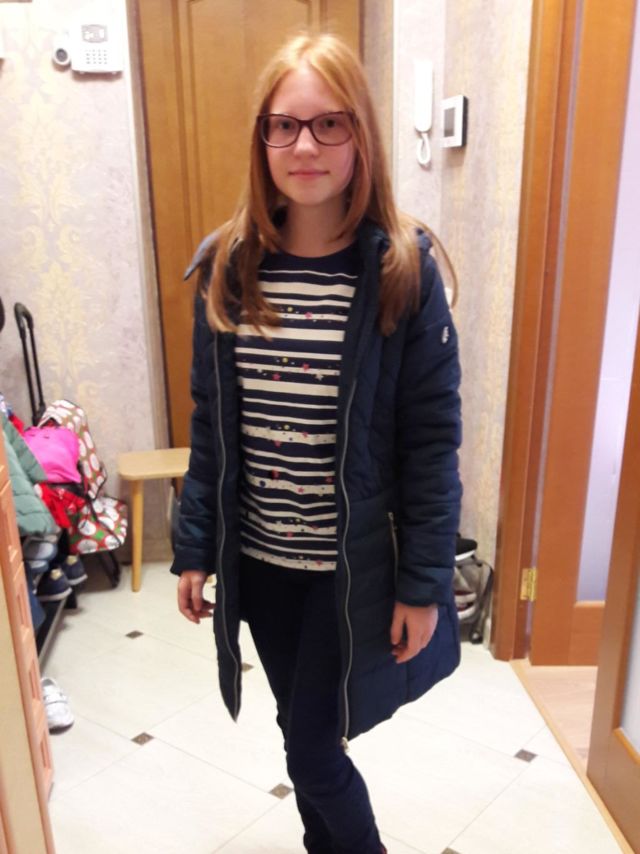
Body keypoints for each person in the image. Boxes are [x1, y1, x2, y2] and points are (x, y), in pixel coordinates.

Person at [171, 32, 462, 854]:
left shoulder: (402, 271)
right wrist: (193, 546)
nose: (304, 146)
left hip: (349, 568)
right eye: (284, 125)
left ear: (360, 136)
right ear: (261, 140)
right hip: (260, 560)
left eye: (329, 124)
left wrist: (424, 584)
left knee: (311, 750)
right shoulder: (228, 267)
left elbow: (432, 444)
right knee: (298, 728)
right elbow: (210, 426)